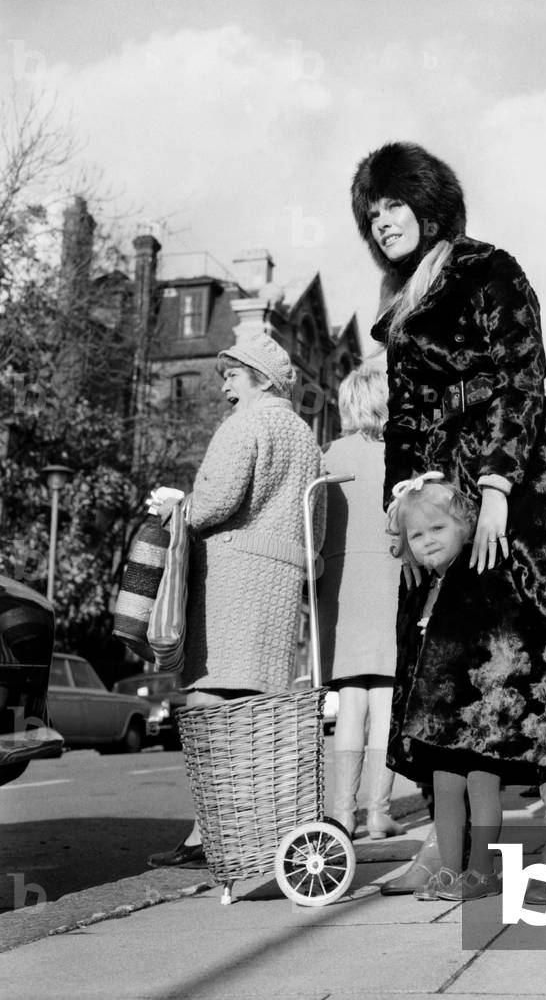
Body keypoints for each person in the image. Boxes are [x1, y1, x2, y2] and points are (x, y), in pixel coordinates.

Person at [351, 141, 546, 905]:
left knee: (539, 657)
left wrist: (497, 484)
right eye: (372, 210)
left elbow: (523, 375)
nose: (381, 219)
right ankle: (447, 845)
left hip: (521, 483)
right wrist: (401, 505)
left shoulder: (489, 266)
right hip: (434, 498)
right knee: (440, 665)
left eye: (394, 203)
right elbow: (402, 418)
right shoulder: (399, 304)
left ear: (429, 205)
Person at [148, 333, 324, 868]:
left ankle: (213, 833)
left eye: (232, 374)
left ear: (260, 377)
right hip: (279, 581)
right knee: (256, 705)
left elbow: (214, 504)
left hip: (231, 578)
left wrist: (178, 506)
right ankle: (249, 829)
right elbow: (314, 527)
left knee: (209, 702)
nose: (224, 385)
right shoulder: (303, 436)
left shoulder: (245, 424)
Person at [385, 474, 509, 901]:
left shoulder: (478, 575)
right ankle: (452, 870)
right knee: (446, 791)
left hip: (477, 709)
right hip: (439, 714)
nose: (427, 541)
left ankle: (482, 872)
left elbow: (495, 642)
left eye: (438, 529)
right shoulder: (427, 587)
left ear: (466, 528)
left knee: (481, 787)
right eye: (417, 535)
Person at [319, 366, 404, 839]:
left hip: (342, 584)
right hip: (389, 582)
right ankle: (378, 812)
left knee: (350, 702)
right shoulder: (399, 455)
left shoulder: (327, 455)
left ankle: (342, 814)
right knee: (386, 702)